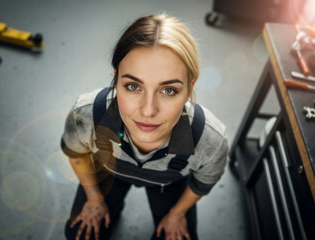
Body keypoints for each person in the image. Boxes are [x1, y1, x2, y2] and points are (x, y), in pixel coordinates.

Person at [61, 13, 228, 240]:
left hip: (168, 184)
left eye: (168, 90)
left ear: (190, 88)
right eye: (132, 86)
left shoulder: (209, 139)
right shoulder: (87, 114)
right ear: (116, 78)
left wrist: (177, 213)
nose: (148, 111)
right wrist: (94, 197)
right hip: (107, 171)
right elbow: (76, 152)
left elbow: (204, 180)